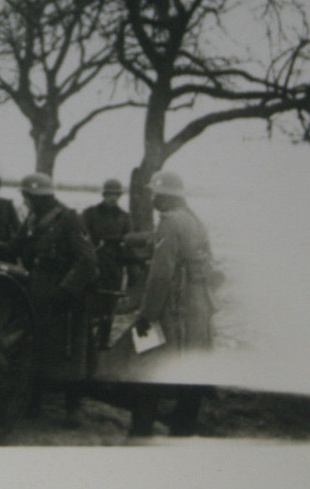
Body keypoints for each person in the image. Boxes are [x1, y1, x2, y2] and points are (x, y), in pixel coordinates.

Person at [128, 170, 216, 437]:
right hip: (197, 305)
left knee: (147, 364)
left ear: (165, 196)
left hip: (174, 308)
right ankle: (183, 429)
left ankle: (141, 429)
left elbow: (160, 275)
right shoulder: (194, 219)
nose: (152, 198)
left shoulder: (169, 222)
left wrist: (146, 316)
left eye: (155, 193)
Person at [13, 172, 98, 426]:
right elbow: (17, 246)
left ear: (41, 198)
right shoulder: (33, 218)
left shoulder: (69, 219)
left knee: (71, 350)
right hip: (37, 290)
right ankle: (34, 402)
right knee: (37, 345)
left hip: (64, 296)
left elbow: (87, 260)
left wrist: (66, 291)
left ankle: (73, 408)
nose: (26, 201)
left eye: (29, 197)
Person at [82, 178, 132, 348]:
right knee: (90, 302)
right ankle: (87, 341)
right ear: (104, 195)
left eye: (116, 195)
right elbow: (82, 236)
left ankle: (103, 340)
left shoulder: (124, 217)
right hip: (94, 263)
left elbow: (128, 243)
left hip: (114, 266)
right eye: (110, 194)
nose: (113, 198)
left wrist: (130, 270)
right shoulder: (90, 213)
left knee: (109, 304)